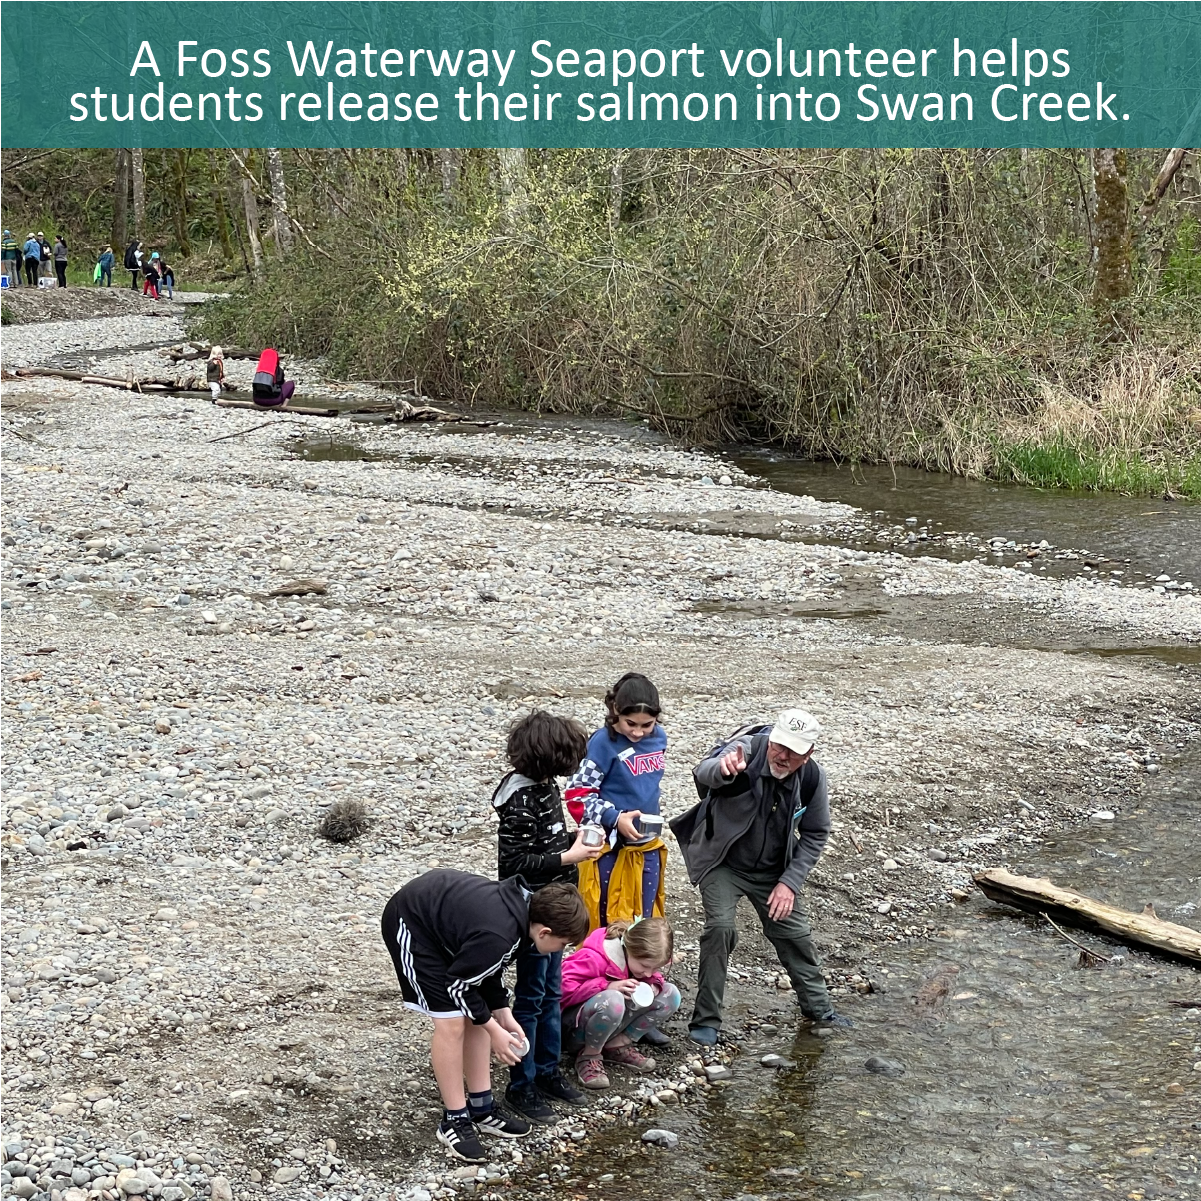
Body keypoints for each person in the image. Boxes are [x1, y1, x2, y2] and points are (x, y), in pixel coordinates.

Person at [380, 871, 589, 1164]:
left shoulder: (520, 919)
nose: (562, 951)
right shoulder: (500, 932)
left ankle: (482, 1108)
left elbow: (485, 969)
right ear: (544, 933)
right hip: (413, 922)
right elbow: (459, 984)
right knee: (452, 1021)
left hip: (446, 925)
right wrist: (494, 1031)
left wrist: (502, 1014)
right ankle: (454, 1119)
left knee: (478, 1013)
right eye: (563, 944)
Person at [670, 709, 851, 1047]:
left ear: (809, 753)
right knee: (720, 930)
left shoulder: (812, 778)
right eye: (779, 746)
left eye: (793, 751)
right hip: (722, 862)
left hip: (773, 870)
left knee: (794, 934)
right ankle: (706, 1021)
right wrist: (724, 770)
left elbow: (815, 834)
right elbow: (704, 772)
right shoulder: (746, 750)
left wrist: (790, 882)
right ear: (772, 739)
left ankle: (820, 1011)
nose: (782, 756)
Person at [492, 710, 605, 1123]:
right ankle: (522, 1083)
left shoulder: (544, 786)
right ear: (547, 759)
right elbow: (515, 862)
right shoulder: (521, 797)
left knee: (550, 992)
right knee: (532, 995)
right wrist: (568, 855)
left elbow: (544, 839)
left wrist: (573, 838)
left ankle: (547, 1070)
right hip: (536, 911)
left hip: (556, 903)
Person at [564, 672, 667, 931]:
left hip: (647, 843)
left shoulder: (659, 738)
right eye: (630, 723)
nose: (638, 732)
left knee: (644, 914)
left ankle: (640, 966)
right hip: (609, 847)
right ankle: (603, 967)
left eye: (647, 725)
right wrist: (615, 818)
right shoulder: (602, 743)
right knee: (606, 915)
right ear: (615, 711)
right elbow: (577, 793)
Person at [560, 917, 680, 1089]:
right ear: (630, 949)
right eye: (645, 966)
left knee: (670, 994)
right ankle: (589, 1056)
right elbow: (560, 987)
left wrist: (654, 983)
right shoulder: (595, 957)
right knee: (613, 1000)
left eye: (655, 968)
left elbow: (652, 975)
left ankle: (616, 1045)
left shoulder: (641, 964)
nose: (648, 972)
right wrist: (607, 985)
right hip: (574, 1030)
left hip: (609, 1029)